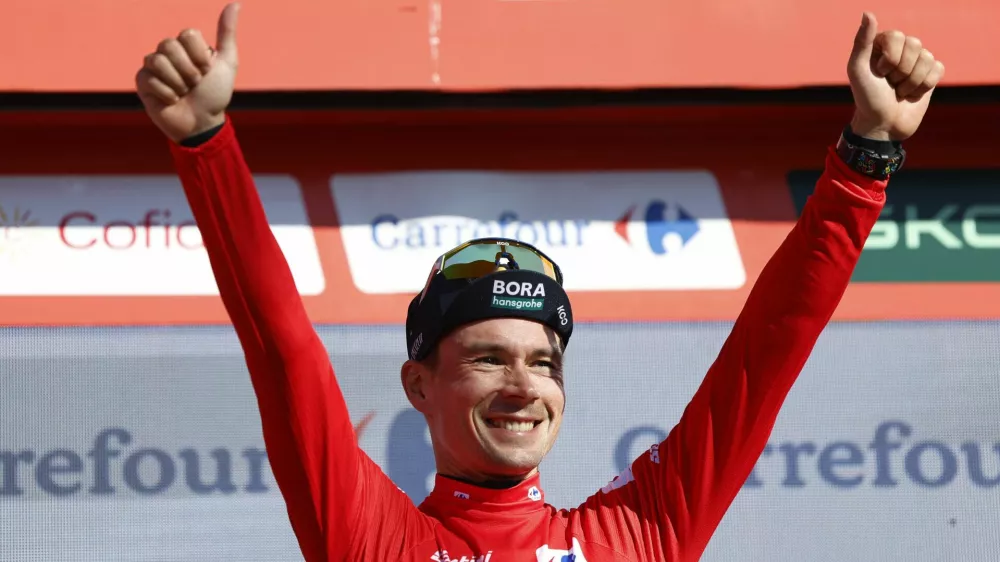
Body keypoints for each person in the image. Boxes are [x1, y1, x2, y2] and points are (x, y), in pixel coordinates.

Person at [135, 3, 944, 560]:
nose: (525, 385)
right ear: (418, 384)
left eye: (544, 361)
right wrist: (207, 144)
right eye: (489, 357)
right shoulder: (373, 540)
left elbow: (768, 352)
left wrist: (866, 157)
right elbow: (282, 350)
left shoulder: (642, 533)